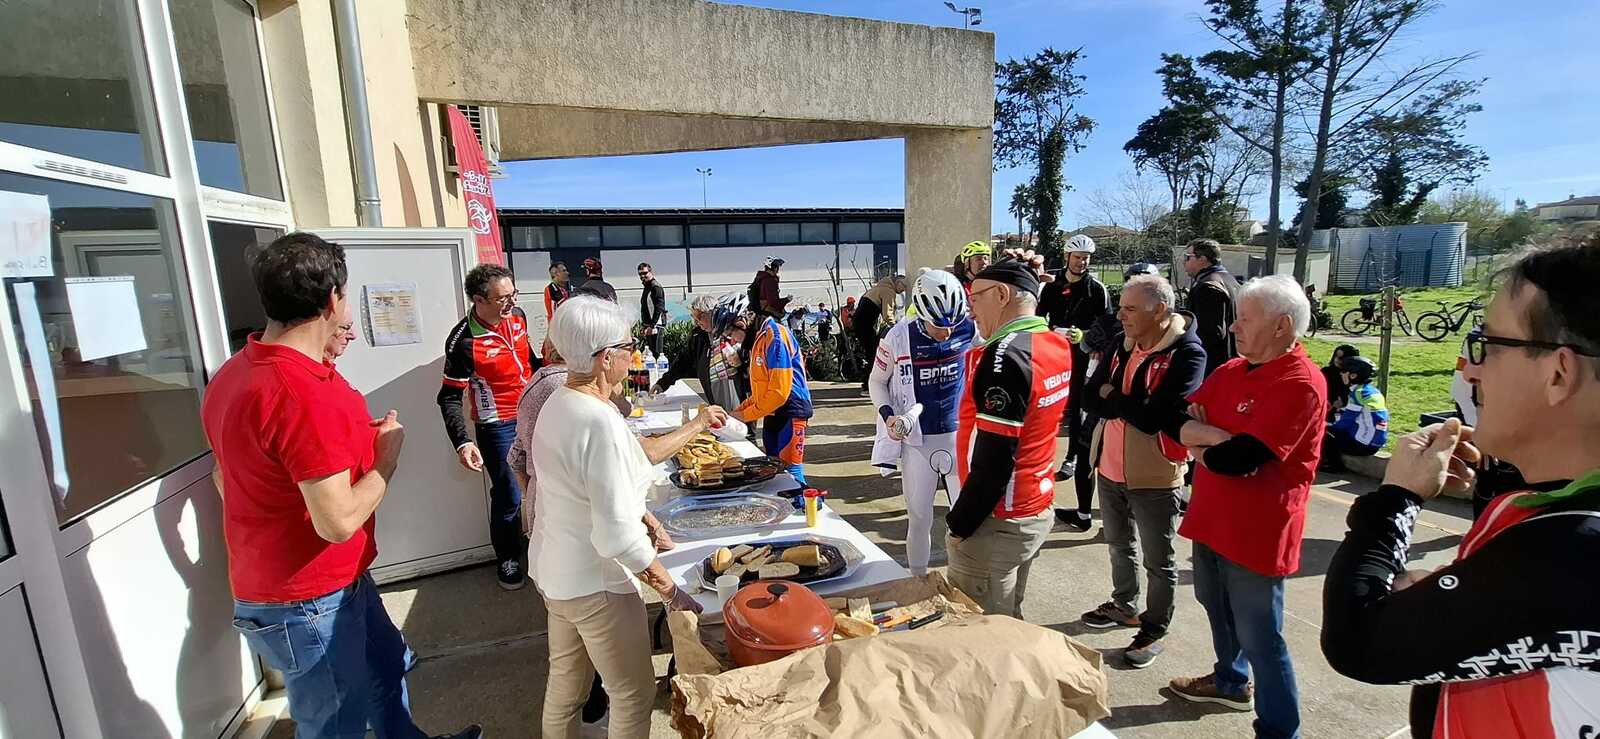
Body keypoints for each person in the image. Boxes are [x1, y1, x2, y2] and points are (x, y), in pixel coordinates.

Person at [203, 232, 480, 739]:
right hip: (311, 599)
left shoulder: (235, 373)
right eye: (346, 297)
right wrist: (385, 460)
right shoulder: (301, 393)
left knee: (386, 667)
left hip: (325, 584)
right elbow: (337, 521)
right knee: (336, 726)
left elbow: (229, 475)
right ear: (332, 299)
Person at [1322, 238, 1600, 737]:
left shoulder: (1574, 553)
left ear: (1560, 372)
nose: (1470, 369)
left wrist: (1397, 499)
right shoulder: (1563, 519)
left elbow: (1359, 638)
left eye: (1487, 346)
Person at [530, 295, 717, 739]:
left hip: (556, 572)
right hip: (596, 582)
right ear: (604, 358)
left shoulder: (558, 402)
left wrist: (643, 515)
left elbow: (580, 491)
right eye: (628, 347)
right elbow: (615, 535)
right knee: (632, 695)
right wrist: (671, 591)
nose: (633, 356)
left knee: (566, 689)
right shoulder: (599, 420)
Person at [1164, 275, 1325, 739]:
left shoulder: (1300, 384)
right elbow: (1172, 421)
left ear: (1282, 326)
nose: (1233, 327)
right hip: (1212, 519)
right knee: (1216, 607)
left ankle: (1279, 729)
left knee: (1261, 636)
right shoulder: (1232, 371)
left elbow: (1238, 460)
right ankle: (1230, 681)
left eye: (1244, 319)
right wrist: (1217, 439)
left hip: (1257, 532)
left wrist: (1205, 443)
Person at [1078, 274, 1205, 669]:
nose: (1121, 315)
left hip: (1155, 475)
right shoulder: (1121, 343)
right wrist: (1127, 401)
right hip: (1109, 466)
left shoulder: (1188, 354)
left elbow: (1155, 419)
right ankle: (1124, 605)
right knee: (1118, 545)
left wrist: (1114, 396)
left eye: (1130, 309)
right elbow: (1088, 396)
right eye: (1121, 307)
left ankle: (1155, 628)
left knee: (1159, 560)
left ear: (1160, 311)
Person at [945, 256, 1072, 618]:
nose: (970, 310)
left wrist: (960, 524)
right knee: (1010, 617)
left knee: (979, 631)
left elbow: (995, 458)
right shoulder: (1053, 342)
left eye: (975, 298)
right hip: (1033, 503)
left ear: (1001, 295)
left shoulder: (1005, 355)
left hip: (997, 517)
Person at [868, 269, 978, 576]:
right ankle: (917, 579)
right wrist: (888, 415)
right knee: (919, 519)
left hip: (959, 437)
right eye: (939, 326)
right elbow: (876, 381)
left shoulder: (969, 327)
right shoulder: (897, 336)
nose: (947, 332)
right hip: (918, 441)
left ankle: (965, 579)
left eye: (953, 324)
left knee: (967, 519)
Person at [437, 264, 538, 590]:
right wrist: (462, 441)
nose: (512, 302)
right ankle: (508, 556)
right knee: (509, 493)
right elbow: (449, 397)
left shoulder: (518, 316)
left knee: (549, 483)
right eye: (503, 298)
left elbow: (529, 361)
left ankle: (543, 545)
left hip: (533, 411)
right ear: (479, 300)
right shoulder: (463, 340)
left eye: (513, 294)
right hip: (498, 424)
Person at [1037, 235, 1114, 531]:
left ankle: (1072, 456)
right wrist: (1048, 331)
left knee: (1080, 406)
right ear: (1067, 257)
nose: (1082, 262)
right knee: (1056, 403)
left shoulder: (1097, 288)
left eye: (1086, 258)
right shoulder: (1052, 286)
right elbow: (1038, 316)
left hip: (1083, 357)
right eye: (1077, 257)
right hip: (1054, 352)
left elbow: (1108, 325)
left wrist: (1085, 335)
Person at [716, 293, 814, 482]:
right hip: (774, 412)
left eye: (730, 334)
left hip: (791, 409)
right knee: (773, 470)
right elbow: (761, 393)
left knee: (791, 472)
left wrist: (744, 416)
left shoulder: (774, 336)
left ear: (742, 322)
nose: (732, 341)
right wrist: (736, 413)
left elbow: (778, 393)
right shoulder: (758, 339)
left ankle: (805, 500)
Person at [653, 294, 744, 411]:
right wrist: (662, 383)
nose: (697, 322)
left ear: (712, 313)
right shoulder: (698, 337)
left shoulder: (731, 331)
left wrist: (740, 361)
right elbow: (682, 362)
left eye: (700, 317)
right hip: (715, 402)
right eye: (694, 318)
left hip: (740, 400)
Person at [1183, 238, 1240, 377]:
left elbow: (1210, 333)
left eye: (1187, 257)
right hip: (1233, 360)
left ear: (1202, 259)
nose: (1184, 262)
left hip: (1212, 366)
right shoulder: (1231, 281)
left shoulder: (1208, 287)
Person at [1320, 355, 1388, 470]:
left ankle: (1333, 465)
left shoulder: (1357, 394)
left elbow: (1346, 421)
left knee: (1325, 431)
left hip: (1363, 445)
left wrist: (1325, 425)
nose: (1340, 374)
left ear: (1353, 376)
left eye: (1343, 371)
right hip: (1375, 443)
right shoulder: (1371, 391)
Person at [853, 273, 909, 393]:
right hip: (865, 324)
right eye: (903, 288)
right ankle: (868, 386)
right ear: (898, 283)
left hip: (860, 323)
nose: (902, 291)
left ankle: (867, 384)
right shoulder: (888, 291)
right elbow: (887, 313)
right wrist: (896, 327)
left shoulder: (878, 287)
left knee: (872, 352)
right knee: (874, 354)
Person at [1321, 344, 1360, 418]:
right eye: (1336, 356)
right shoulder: (1326, 372)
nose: (1337, 360)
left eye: (1342, 358)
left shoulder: (1355, 376)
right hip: (1326, 411)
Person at [637, 262, 667, 356]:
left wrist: (652, 325)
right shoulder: (647, 287)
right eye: (640, 274)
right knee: (651, 354)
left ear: (651, 272)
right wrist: (644, 325)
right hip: (649, 326)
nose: (642, 276)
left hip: (656, 325)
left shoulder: (655, 287)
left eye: (645, 273)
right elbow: (646, 308)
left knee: (658, 353)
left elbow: (659, 307)